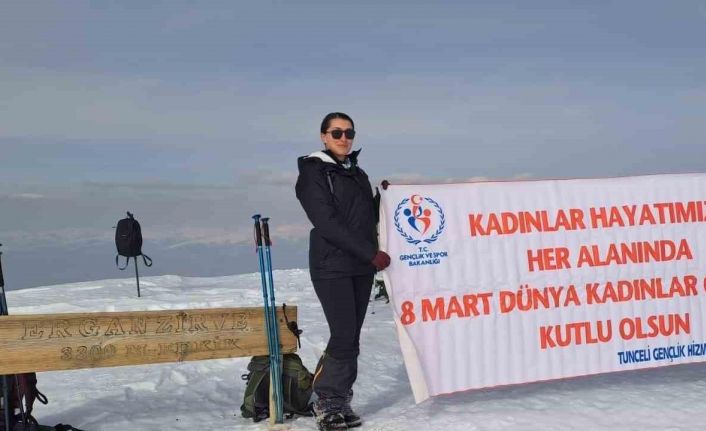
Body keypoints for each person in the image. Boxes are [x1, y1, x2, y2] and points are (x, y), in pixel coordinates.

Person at [295, 112, 391, 430]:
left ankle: (339, 399)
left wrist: (387, 198)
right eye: (336, 133)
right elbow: (327, 223)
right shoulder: (313, 172)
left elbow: (363, 216)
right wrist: (371, 253)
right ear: (323, 136)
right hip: (332, 265)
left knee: (351, 337)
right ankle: (328, 402)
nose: (344, 138)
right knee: (343, 335)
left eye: (349, 133)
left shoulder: (356, 173)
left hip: (361, 266)